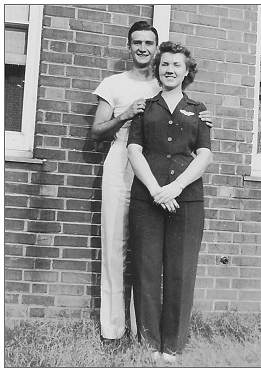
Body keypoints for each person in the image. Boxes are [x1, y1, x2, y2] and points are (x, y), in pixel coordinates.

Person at [91, 21, 212, 340]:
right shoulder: (114, 83)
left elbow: (186, 121)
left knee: (147, 253)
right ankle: (114, 329)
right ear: (129, 46)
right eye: (136, 42)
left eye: (149, 43)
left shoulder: (165, 82)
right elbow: (96, 131)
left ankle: (142, 331)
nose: (142, 48)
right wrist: (125, 114)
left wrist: (204, 121)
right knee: (116, 244)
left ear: (157, 49)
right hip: (122, 161)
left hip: (157, 170)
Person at [127, 41, 213, 361]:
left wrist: (175, 186)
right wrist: (155, 189)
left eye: (177, 65)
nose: (170, 69)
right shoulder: (144, 107)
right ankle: (149, 345)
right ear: (157, 68)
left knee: (181, 271)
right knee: (147, 269)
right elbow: (134, 150)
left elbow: (204, 154)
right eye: (165, 64)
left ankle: (172, 348)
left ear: (187, 71)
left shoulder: (199, 110)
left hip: (186, 200)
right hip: (146, 199)